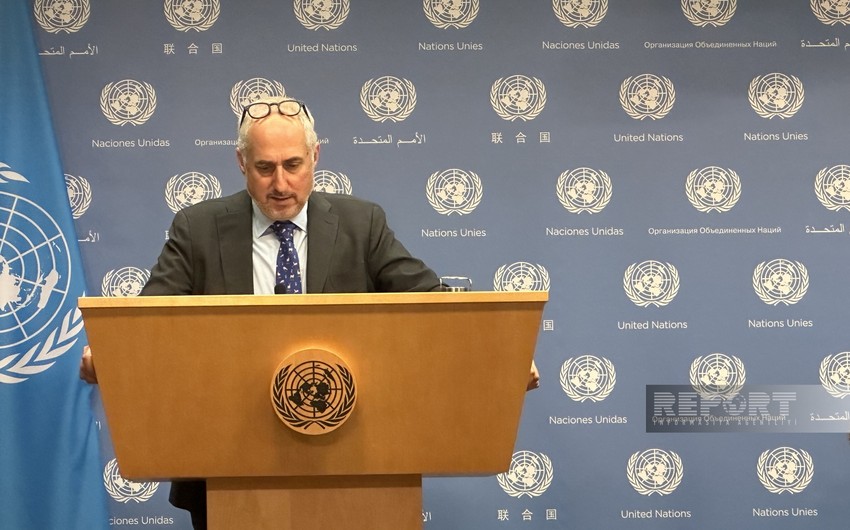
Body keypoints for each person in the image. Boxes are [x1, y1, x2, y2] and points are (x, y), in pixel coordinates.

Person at [80, 96, 540, 529]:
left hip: (353, 466)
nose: (280, 184)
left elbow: (431, 302)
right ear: (241, 163)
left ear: (315, 156)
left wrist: (500, 355)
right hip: (226, 469)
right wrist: (113, 357)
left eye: (293, 165)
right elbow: (148, 323)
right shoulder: (197, 229)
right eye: (264, 168)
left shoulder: (362, 225)